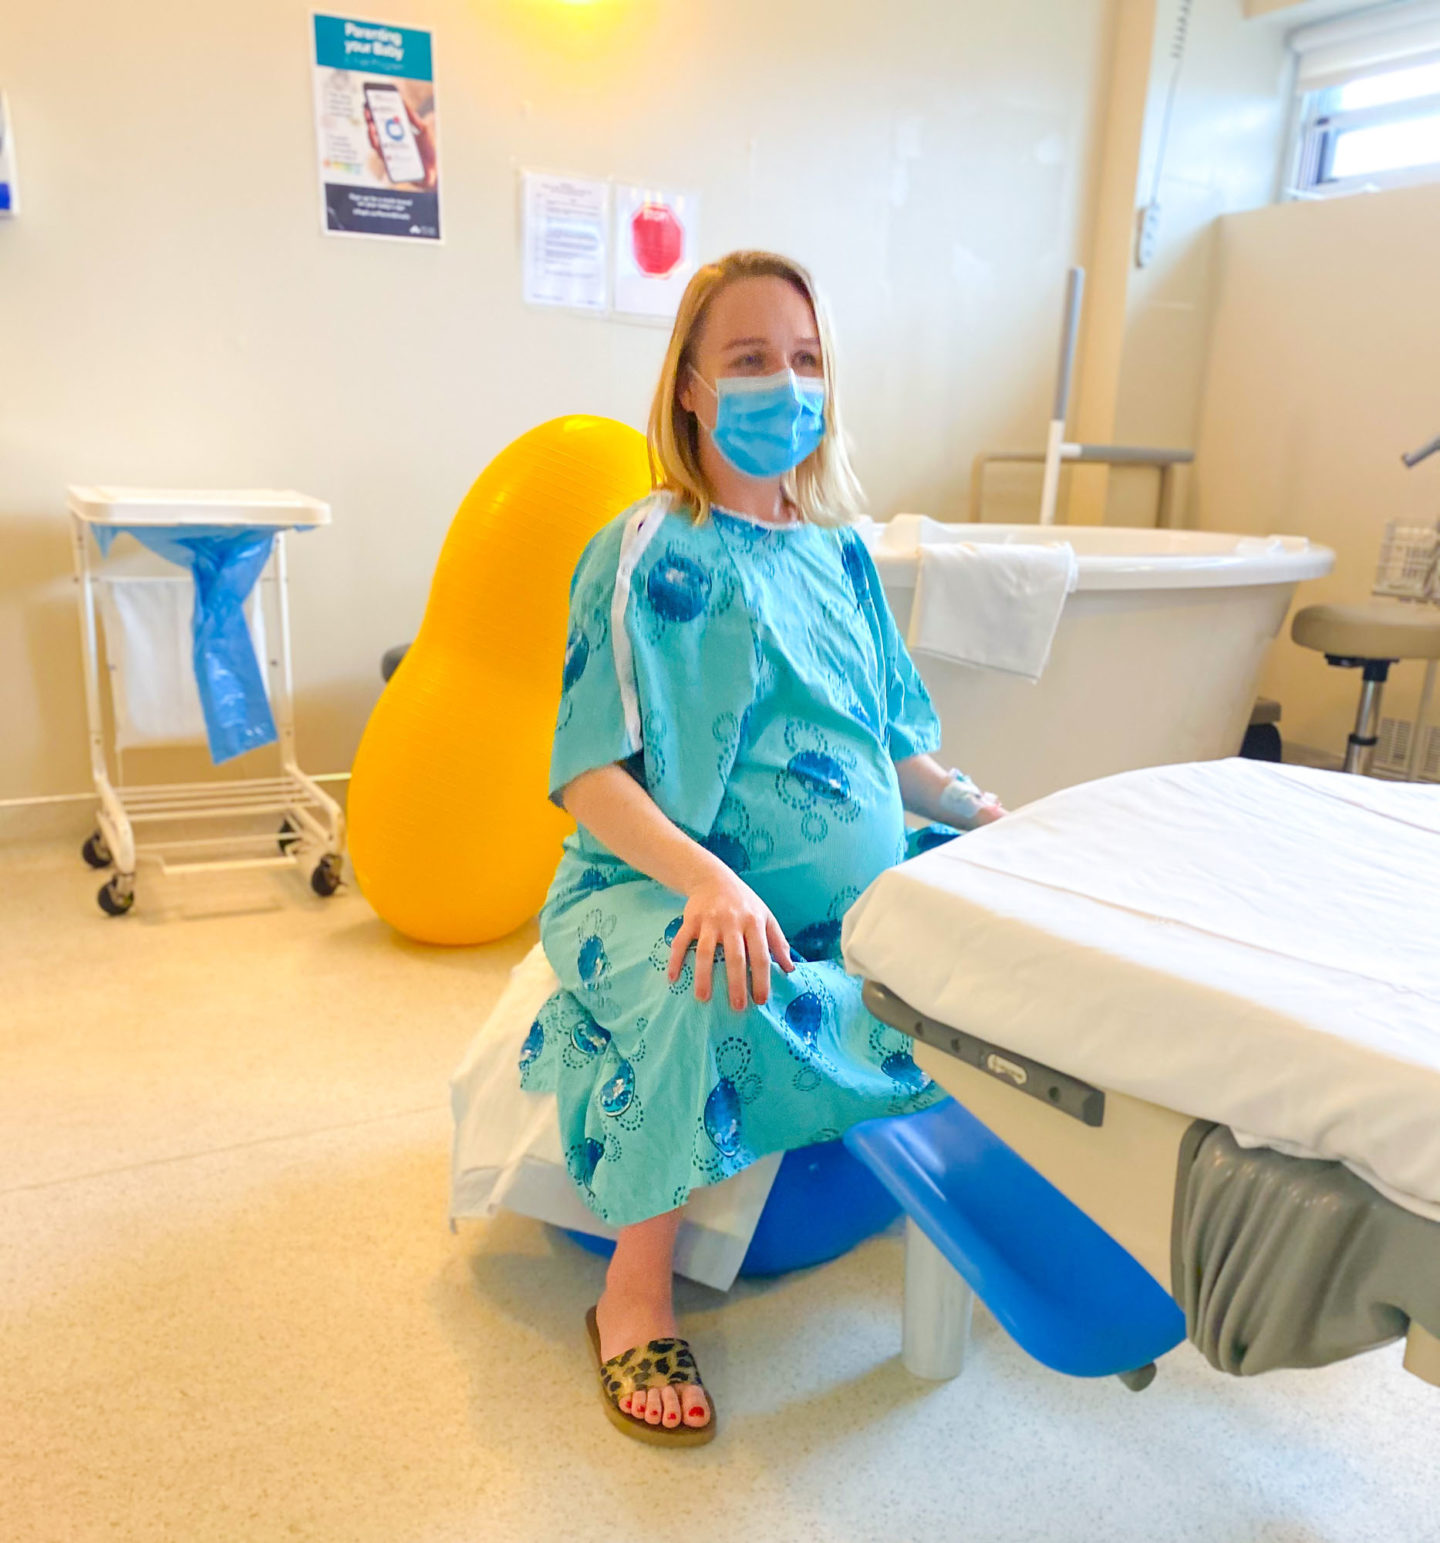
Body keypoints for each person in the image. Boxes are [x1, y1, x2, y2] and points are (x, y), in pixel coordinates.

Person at [522, 250, 1006, 1445]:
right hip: (658, 889)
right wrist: (714, 881)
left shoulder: (840, 553)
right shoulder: (646, 548)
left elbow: (894, 750)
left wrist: (985, 818)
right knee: (713, 974)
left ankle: (990, 1201)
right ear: (688, 386)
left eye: (804, 361)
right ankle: (632, 1291)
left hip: (842, 909)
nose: (782, 385)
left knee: (1020, 947)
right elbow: (589, 772)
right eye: (748, 360)